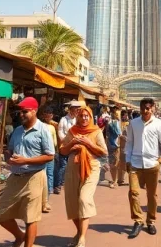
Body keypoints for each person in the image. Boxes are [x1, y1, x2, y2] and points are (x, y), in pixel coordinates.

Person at [0, 97, 55, 247]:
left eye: (25, 112)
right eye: (20, 112)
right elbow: (9, 149)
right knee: (2, 214)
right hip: (15, 177)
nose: (21, 115)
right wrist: (9, 157)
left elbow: (50, 155)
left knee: (30, 217)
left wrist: (26, 161)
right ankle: (19, 235)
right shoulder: (17, 130)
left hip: (34, 177)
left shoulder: (44, 130)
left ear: (34, 111)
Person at [60, 106, 107, 247]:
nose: (85, 118)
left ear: (91, 117)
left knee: (84, 199)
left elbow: (104, 152)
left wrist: (89, 144)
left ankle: (82, 238)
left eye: (87, 116)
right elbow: (62, 150)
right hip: (73, 168)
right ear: (78, 117)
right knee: (73, 203)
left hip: (91, 168)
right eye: (82, 116)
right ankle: (80, 232)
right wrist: (73, 143)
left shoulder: (96, 131)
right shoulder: (72, 131)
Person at [125, 97, 161, 239]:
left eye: (148, 109)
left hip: (152, 164)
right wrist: (127, 160)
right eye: (143, 108)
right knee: (133, 193)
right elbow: (129, 143)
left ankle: (150, 221)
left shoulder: (159, 124)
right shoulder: (133, 123)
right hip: (135, 163)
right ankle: (138, 221)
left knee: (152, 195)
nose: (145, 111)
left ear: (153, 109)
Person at [55, 101, 81, 196]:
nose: (77, 111)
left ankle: (69, 183)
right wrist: (66, 141)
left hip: (74, 146)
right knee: (63, 165)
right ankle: (58, 185)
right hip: (65, 145)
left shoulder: (77, 120)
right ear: (70, 110)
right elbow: (60, 131)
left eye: (78, 109)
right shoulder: (64, 119)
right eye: (75, 109)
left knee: (73, 165)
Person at [37, 107, 59, 213]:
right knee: (49, 176)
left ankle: (42, 201)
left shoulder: (39, 126)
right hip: (49, 154)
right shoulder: (52, 128)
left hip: (41, 155)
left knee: (44, 176)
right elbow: (54, 143)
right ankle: (46, 201)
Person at [104, 109, 123, 188]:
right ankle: (115, 181)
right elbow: (119, 134)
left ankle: (115, 180)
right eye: (117, 113)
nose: (118, 115)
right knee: (115, 164)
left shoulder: (109, 122)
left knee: (113, 164)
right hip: (115, 145)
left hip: (111, 145)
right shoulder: (115, 123)